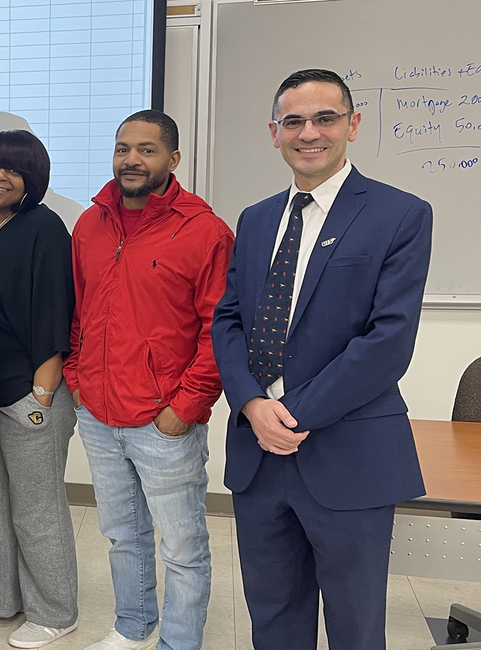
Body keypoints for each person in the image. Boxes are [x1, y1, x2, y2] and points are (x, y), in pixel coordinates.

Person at [211, 69, 432, 650]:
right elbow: (229, 319)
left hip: (347, 452)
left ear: (352, 124)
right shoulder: (257, 219)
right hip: (259, 456)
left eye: (325, 118)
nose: (310, 133)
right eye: (294, 121)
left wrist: (292, 413)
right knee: (273, 616)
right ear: (274, 132)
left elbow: (388, 342)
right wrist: (254, 405)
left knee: (355, 627)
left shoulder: (401, 215)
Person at [65, 110, 234, 650]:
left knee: (183, 547)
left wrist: (186, 406)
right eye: (122, 149)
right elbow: (79, 310)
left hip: (164, 421)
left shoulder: (204, 230)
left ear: (173, 159)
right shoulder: (90, 224)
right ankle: (133, 625)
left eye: (146, 150)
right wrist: (76, 375)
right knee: (121, 533)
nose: (131, 160)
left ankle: (179, 642)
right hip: (97, 411)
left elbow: (219, 331)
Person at [0, 130, 79, 649]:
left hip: (31, 394)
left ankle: (55, 610)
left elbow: (55, 310)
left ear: (33, 178)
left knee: (36, 507)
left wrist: (44, 393)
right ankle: (0, 596)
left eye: (13, 168)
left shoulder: (44, 228)